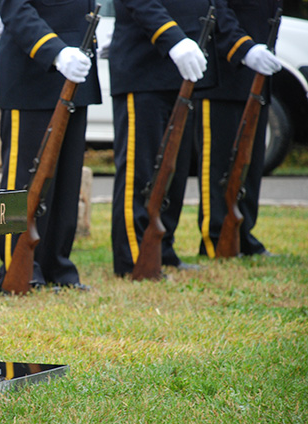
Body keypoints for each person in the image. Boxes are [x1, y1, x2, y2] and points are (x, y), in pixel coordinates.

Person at [0, 0, 102, 291]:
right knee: (26, 183)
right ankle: (19, 268)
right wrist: (54, 50)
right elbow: (16, 7)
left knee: (66, 183)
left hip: (76, 68)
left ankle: (58, 266)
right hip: (35, 73)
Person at [108, 0, 219, 277]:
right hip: (145, 67)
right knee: (141, 172)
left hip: (181, 70)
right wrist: (173, 38)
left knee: (175, 171)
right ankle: (133, 256)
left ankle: (162, 249)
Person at [190, 0, 283, 258]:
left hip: (257, 75)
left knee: (249, 167)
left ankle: (243, 234)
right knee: (220, 166)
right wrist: (243, 49)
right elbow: (217, 10)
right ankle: (217, 238)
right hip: (225, 74)